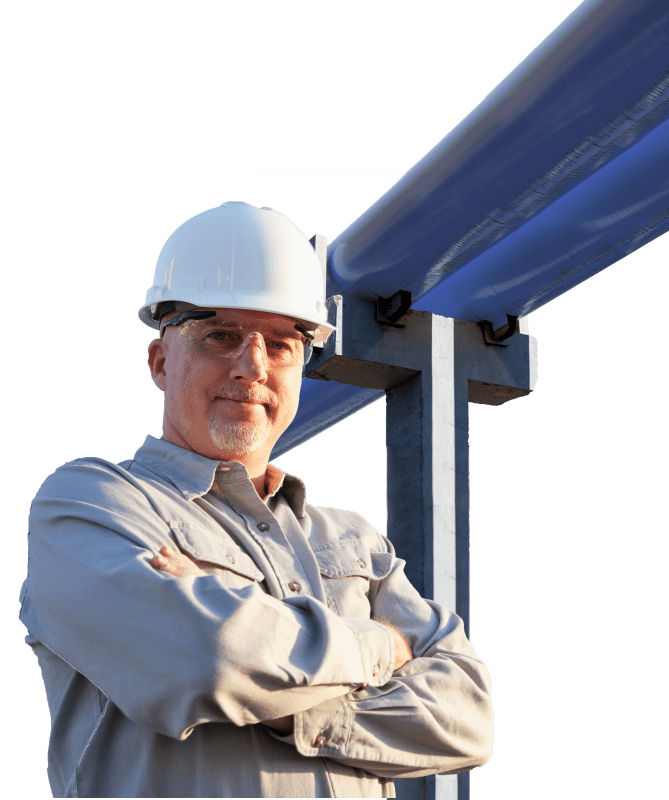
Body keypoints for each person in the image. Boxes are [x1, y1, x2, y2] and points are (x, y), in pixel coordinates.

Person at [18, 201, 493, 798]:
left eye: (281, 343)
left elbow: (467, 719)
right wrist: (382, 649)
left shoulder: (355, 541)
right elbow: (202, 660)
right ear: (160, 359)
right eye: (219, 335)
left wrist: (282, 700)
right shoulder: (94, 503)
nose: (252, 366)